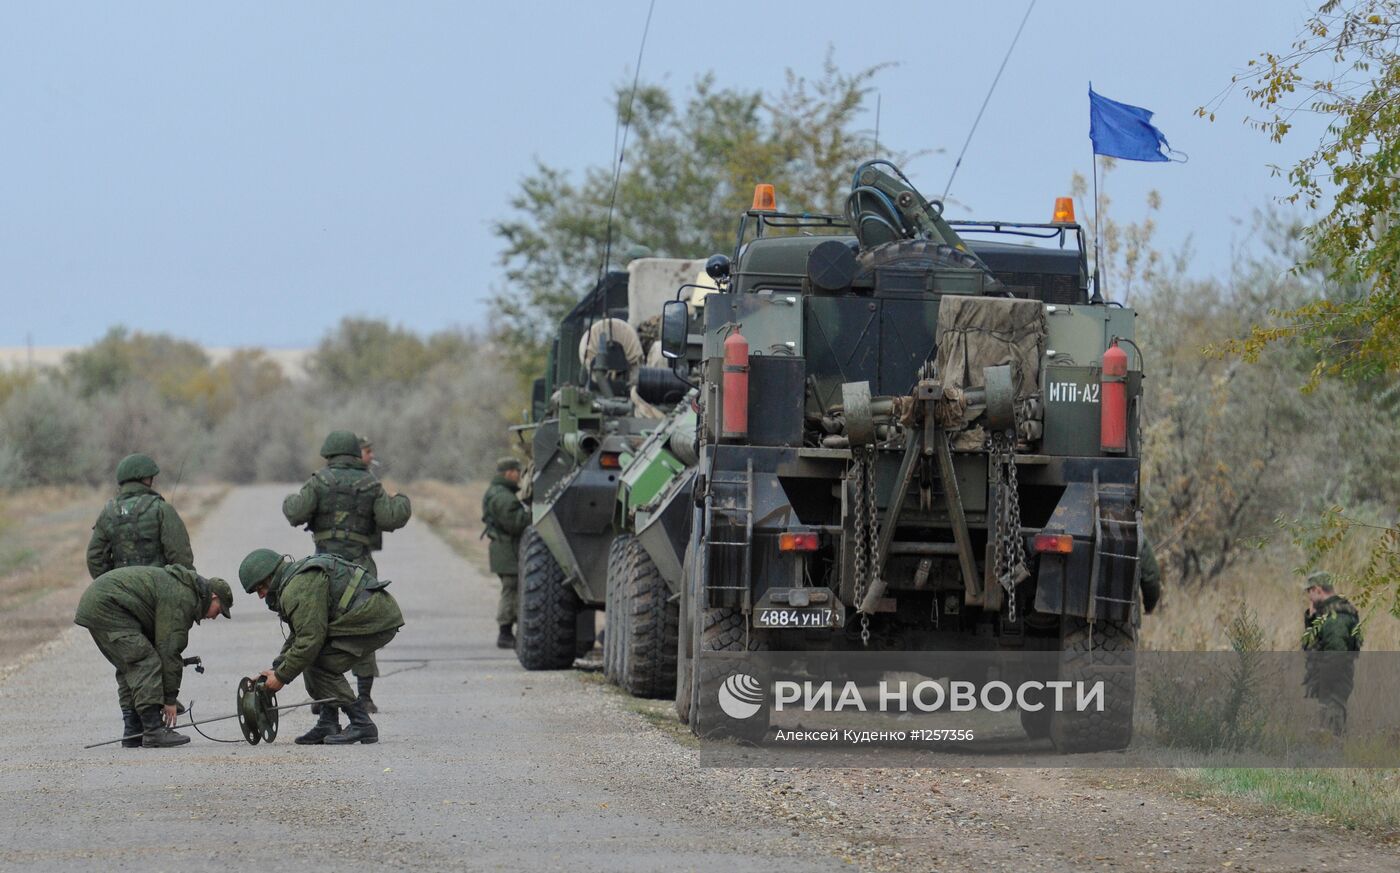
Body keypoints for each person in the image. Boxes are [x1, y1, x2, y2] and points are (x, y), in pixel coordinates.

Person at [283, 430, 410, 713]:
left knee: (317, 627)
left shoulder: (319, 482)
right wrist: (401, 498)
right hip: (360, 569)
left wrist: (291, 499)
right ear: (355, 453)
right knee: (363, 625)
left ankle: (323, 698)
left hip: (324, 568)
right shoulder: (370, 483)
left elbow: (295, 513)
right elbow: (392, 517)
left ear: (328, 455)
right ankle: (364, 697)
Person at [238, 547, 403, 745]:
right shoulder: (294, 581)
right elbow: (301, 633)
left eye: (260, 588)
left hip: (374, 618)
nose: (261, 596)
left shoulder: (297, 587)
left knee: (320, 661)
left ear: (270, 577)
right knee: (309, 657)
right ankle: (328, 722)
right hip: (365, 615)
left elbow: (309, 640)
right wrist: (276, 668)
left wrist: (281, 677)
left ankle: (362, 723)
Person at [74, 565, 232, 748]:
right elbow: (169, 650)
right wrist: (170, 700)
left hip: (101, 603)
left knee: (131, 666)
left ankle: (134, 731)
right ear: (213, 597)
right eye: (219, 611)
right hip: (107, 606)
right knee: (145, 661)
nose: (214, 617)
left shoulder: (184, 590)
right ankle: (153, 732)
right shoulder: (183, 598)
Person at [86, 453, 194, 580]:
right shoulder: (162, 509)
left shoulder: (107, 513)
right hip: (158, 589)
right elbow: (181, 556)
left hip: (122, 590)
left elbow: (94, 558)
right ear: (145, 479)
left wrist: (112, 584)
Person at [1302, 571, 1362, 736]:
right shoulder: (1328, 612)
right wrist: (1310, 617)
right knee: (1326, 730)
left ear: (1318, 590)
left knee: (1331, 732)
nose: (1309, 597)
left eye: (1310, 592)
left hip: (1335, 681)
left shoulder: (1336, 617)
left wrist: (1323, 679)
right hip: (1331, 681)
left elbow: (1336, 656)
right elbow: (1311, 642)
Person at [482, 457, 530, 649]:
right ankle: (505, 633)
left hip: (505, 548)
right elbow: (515, 523)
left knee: (513, 589)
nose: (519, 476)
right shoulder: (502, 496)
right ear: (509, 473)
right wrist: (533, 515)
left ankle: (510, 631)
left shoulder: (500, 493)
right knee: (511, 589)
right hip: (507, 549)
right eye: (517, 472)